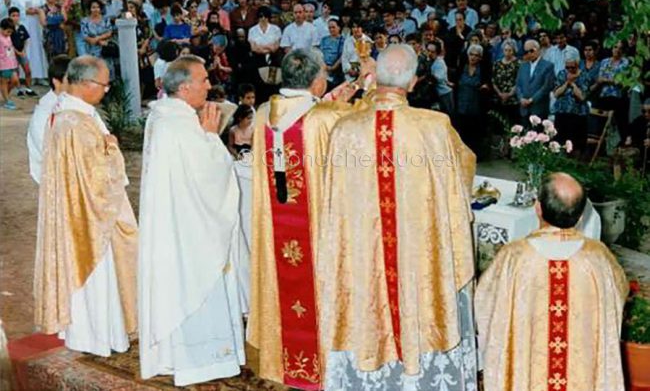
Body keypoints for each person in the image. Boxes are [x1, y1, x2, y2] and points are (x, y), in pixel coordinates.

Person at [317, 44, 477, 390]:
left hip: (365, 260)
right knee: (417, 291)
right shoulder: (434, 128)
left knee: (369, 294)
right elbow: (462, 175)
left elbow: (335, 211)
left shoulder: (345, 130)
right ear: (415, 81)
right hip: (417, 258)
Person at [247, 48, 361, 389]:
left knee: (284, 284)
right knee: (317, 283)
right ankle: (323, 364)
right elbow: (349, 128)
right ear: (315, 81)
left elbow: (316, 106)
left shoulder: (264, 114)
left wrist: (342, 91)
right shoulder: (324, 118)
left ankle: (279, 359)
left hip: (278, 223)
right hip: (315, 230)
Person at [138, 55, 247, 386]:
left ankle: (176, 356)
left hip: (177, 225)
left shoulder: (165, 118)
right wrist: (212, 137)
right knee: (193, 288)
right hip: (190, 233)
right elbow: (209, 176)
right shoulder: (180, 124)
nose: (209, 85)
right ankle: (200, 361)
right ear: (185, 87)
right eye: (203, 80)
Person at [476, 173, 628, 391]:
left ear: (537, 208)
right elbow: (617, 297)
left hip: (527, 374)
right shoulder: (598, 257)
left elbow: (486, 304)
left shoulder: (515, 256)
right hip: (581, 374)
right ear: (579, 217)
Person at [34, 56, 138, 356]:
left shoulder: (70, 115)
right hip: (89, 218)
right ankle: (98, 336)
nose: (106, 91)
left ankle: (96, 333)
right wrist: (112, 149)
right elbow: (96, 177)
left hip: (80, 211)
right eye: (103, 85)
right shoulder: (74, 123)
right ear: (84, 83)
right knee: (96, 279)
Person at [27, 54, 70, 183]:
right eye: (71, 80)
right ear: (56, 81)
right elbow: (43, 146)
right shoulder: (44, 110)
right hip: (55, 175)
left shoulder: (79, 102)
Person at [552, 50, 589, 156]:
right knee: (560, 139)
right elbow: (556, 94)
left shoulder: (584, 75)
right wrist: (567, 83)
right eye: (567, 67)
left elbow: (582, 96)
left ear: (577, 65)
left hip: (577, 113)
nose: (570, 69)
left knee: (575, 142)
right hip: (562, 111)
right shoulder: (562, 74)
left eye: (572, 67)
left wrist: (573, 84)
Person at [13, 0, 47, 84]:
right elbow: (14, 9)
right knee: (26, 46)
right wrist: (25, 11)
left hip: (36, 23)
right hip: (24, 22)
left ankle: (40, 76)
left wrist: (37, 11)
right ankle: (28, 76)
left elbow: (43, 7)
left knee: (37, 47)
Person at [515, 39, 555, 120]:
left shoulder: (548, 66)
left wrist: (532, 100)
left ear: (539, 50)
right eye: (526, 52)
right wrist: (521, 98)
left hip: (539, 108)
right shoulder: (523, 66)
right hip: (524, 108)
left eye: (532, 51)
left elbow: (546, 86)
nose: (529, 54)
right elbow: (518, 85)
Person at [9, 6, 36, 97]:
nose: (15, 18)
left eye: (17, 15)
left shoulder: (21, 27)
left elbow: (26, 40)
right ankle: (19, 90)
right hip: (12, 54)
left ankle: (28, 89)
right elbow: (8, 43)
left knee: (28, 71)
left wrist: (23, 50)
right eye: (13, 16)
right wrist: (16, 52)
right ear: (9, 17)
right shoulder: (8, 29)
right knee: (16, 73)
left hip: (22, 52)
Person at [0, 18, 18, 110]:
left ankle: (5, 95)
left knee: (15, 80)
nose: (9, 34)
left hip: (11, 63)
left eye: (10, 32)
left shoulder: (8, 37)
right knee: (4, 82)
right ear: (2, 29)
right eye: (7, 32)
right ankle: (7, 99)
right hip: (3, 64)